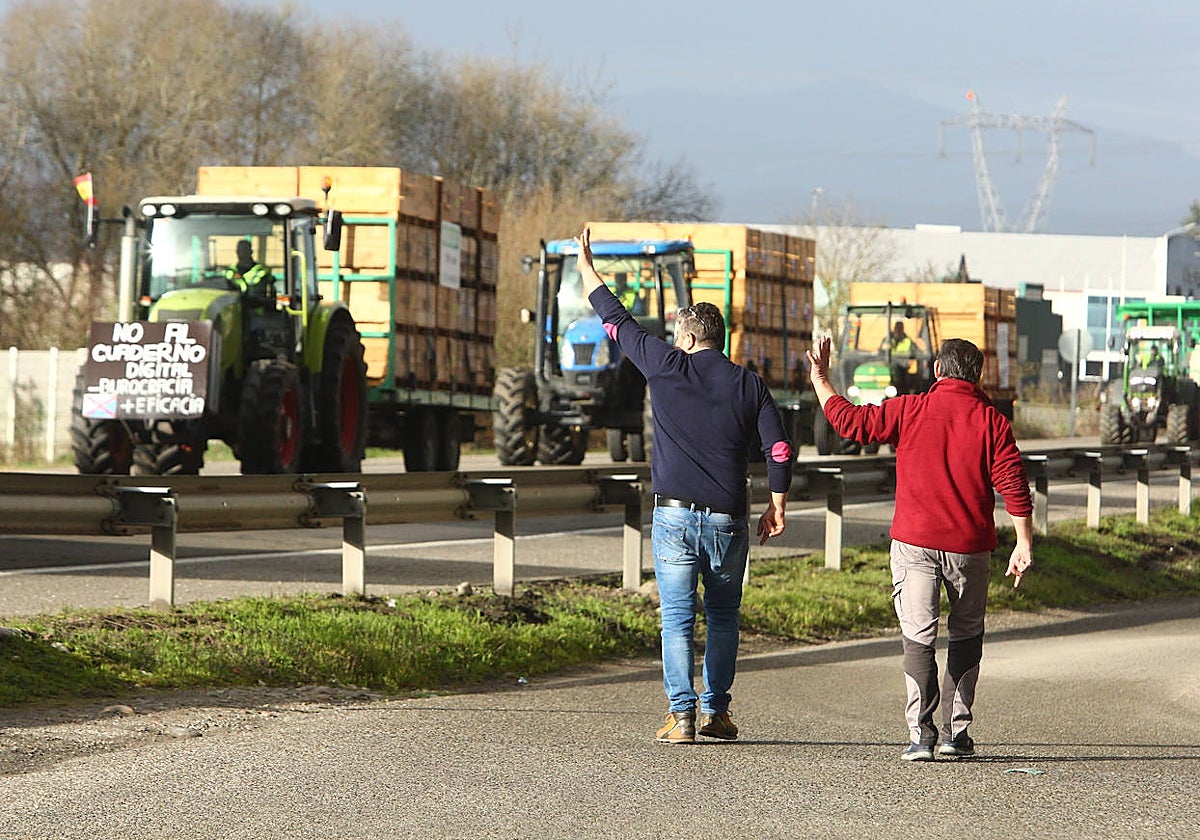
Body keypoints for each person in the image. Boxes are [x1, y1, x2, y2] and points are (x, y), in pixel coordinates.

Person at [577, 227, 792, 745]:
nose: (674, 342)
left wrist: (587, 265)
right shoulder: (749, 384)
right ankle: (718, 713)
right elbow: (778, 449)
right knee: (722, 616)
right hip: (726, 519)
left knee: (676, 620)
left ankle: (682, 717)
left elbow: (615, 320)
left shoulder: (665, 366)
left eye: (678, 335)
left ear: (691, 338)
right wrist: (776, 504)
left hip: (673, 518)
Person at [807, 335, 1033, 762]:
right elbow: (1012, 483)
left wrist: (820, 377)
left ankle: (921, 737)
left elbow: (850, 423)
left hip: (914, 544)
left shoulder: (909, 409)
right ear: (977, 376)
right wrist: (1022, 540)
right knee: (966, 636)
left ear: (936, 371)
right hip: (970, 549)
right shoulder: (992, 421)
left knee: (918, 636)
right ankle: (955, 734)